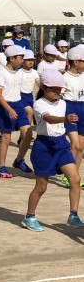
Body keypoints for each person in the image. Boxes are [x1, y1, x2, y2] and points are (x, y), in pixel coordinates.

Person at [22, 69, 84, 231]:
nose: (57, 91)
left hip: (61, 145)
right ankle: (29, 216)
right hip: (44, 147)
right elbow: (48, 118)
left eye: (59, 88)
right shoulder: (38, 104)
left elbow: (65, 123)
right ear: (43, 87)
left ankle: (73, 215)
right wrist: (65, 119)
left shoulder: (63, 103)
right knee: (41, 187)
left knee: (75, 179)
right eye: (53, 88)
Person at [0, 45, 33, 178]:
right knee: (6, 138)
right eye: (21, 58)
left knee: (28, 133)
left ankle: (19, 160)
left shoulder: (18, 72)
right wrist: (9, 109)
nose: (22, 60)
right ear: (12, 58)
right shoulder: (2, 73)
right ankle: (1, 167)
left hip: (18, 105)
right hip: (5, 106)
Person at [61, 47, 84, 188]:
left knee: (81, 147)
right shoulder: (64, 77)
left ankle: (75, 176)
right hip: (71, 110)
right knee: (74, 144)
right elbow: (58, 96)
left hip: (83, 108)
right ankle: (68, 175)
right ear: (76, 62)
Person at [18, 50, 40, 128]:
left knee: (29, 114)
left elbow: (39, 83)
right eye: (28, 60)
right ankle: (27, 132)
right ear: (22, 61)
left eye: (32, 60)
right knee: (30, 111)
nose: (30, 62)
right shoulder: (19, 72)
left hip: (30, 96)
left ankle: (23, 135)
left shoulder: (34, 72)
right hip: (21, 96)